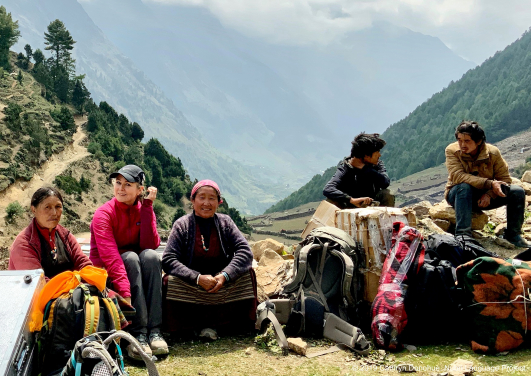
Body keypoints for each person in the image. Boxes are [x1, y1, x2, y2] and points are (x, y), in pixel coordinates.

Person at [89, 164, 168, 359]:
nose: (120, 189)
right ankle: (138, 334)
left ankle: (155, 330)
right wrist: (125, 292)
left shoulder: (143, 208)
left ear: (140, 190)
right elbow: (110, 258)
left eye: (128, 184)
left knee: (150, 256)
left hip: (134, 270)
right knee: (131, 258)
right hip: (110, 272)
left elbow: (151, 243)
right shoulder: (104, 214)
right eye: (118, 183)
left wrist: (148, 207)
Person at [162, 180, 257, 339]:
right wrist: (197, 278)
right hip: (192, 287)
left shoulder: (226, 223)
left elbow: (245, 252)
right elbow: (169, 259)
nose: (207, 203)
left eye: (212, 198)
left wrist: (224, 276)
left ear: (219, 202)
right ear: (193, 201)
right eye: (202, 197)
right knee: (168, 281)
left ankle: (234, 325)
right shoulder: (182, 225)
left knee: (249, 274)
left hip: (222, 286)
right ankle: (187, 328)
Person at [445, 121, 529, 247]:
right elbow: (457, 175)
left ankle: (513, 235)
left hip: (486, 197)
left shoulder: (493, 153)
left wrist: (489, 194)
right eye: (459, 140)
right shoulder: (452, 151)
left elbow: (505, 179)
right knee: (464, 187)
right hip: (459, 196)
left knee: (517, 191)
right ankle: (463, 235)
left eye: (467, 141)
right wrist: (489, 184)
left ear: (478, 141)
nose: (462, 144)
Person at [9, 187, 92, 278]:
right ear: (33, 209)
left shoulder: (65, 236)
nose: (54, 213)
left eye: (58, 207)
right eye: (47, 207)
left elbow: (83, 263)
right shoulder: (24, 244)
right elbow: (38, 282)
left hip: (71, 289)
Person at [323, 132, 394, 208]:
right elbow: (328, 189)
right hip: (350, 205)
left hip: (372, 203)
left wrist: (366, 169)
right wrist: (351, 200)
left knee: (387, 194)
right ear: (366, 155)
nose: (379, 155)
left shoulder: (376, 164)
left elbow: (385, 182)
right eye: (377, 152)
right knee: (331, 201)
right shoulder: (345, 167)